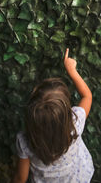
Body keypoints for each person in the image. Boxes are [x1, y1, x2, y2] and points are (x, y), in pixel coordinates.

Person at [12, 48, 94, 183]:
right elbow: (87, 96)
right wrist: (72, 71)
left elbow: (21, 178)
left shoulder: (24, 141)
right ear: (66, 111)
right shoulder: (75, 123)